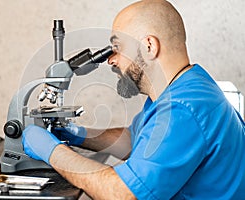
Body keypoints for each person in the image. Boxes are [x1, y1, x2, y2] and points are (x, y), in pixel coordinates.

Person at [22, 0, 245, 199]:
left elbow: (125, 194)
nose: (111, 60)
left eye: (117, 47)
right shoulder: (187, 87)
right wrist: (79, 134)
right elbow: (134, 140)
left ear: (149, 46)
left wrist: (53, 151)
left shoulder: (182, 110)